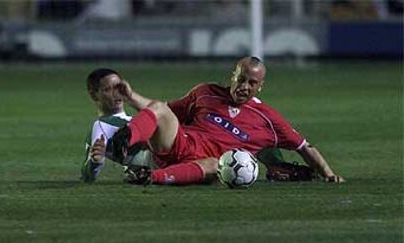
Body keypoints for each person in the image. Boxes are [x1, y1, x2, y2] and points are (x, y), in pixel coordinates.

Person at [111, 56, 344, 185]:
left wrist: (328, 173)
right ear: (233, 76)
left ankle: (148, 177)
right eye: (241, 79)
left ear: (260, 86)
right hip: (177, 144)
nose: (244, 87)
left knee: (217, 165)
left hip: (204, 165)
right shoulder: (206, 92)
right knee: (160, 108)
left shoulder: (269, 119)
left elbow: (304, 147)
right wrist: (131, 97)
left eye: (251, 83)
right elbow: (160, 112)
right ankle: (125, 139)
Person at [81, 68, 150, 182]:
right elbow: (87, 175)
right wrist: (95, 163)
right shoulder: (102, 126)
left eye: (118, 87)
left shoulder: (135, 119)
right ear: (94, 95)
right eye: (108, 89)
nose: (116, 93)